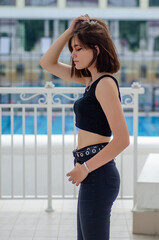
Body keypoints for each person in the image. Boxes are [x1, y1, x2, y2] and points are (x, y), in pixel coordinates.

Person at [40, 14, 130, 240]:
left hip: (97, 174)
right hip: (92, 174)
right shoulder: (91, 81)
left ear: (97, 50)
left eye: (79, 48)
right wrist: (70, 31)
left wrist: (85, 168)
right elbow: (47, 63)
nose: (73, 54)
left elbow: (122, 139)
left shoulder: (105, 84)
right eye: (72, 48)